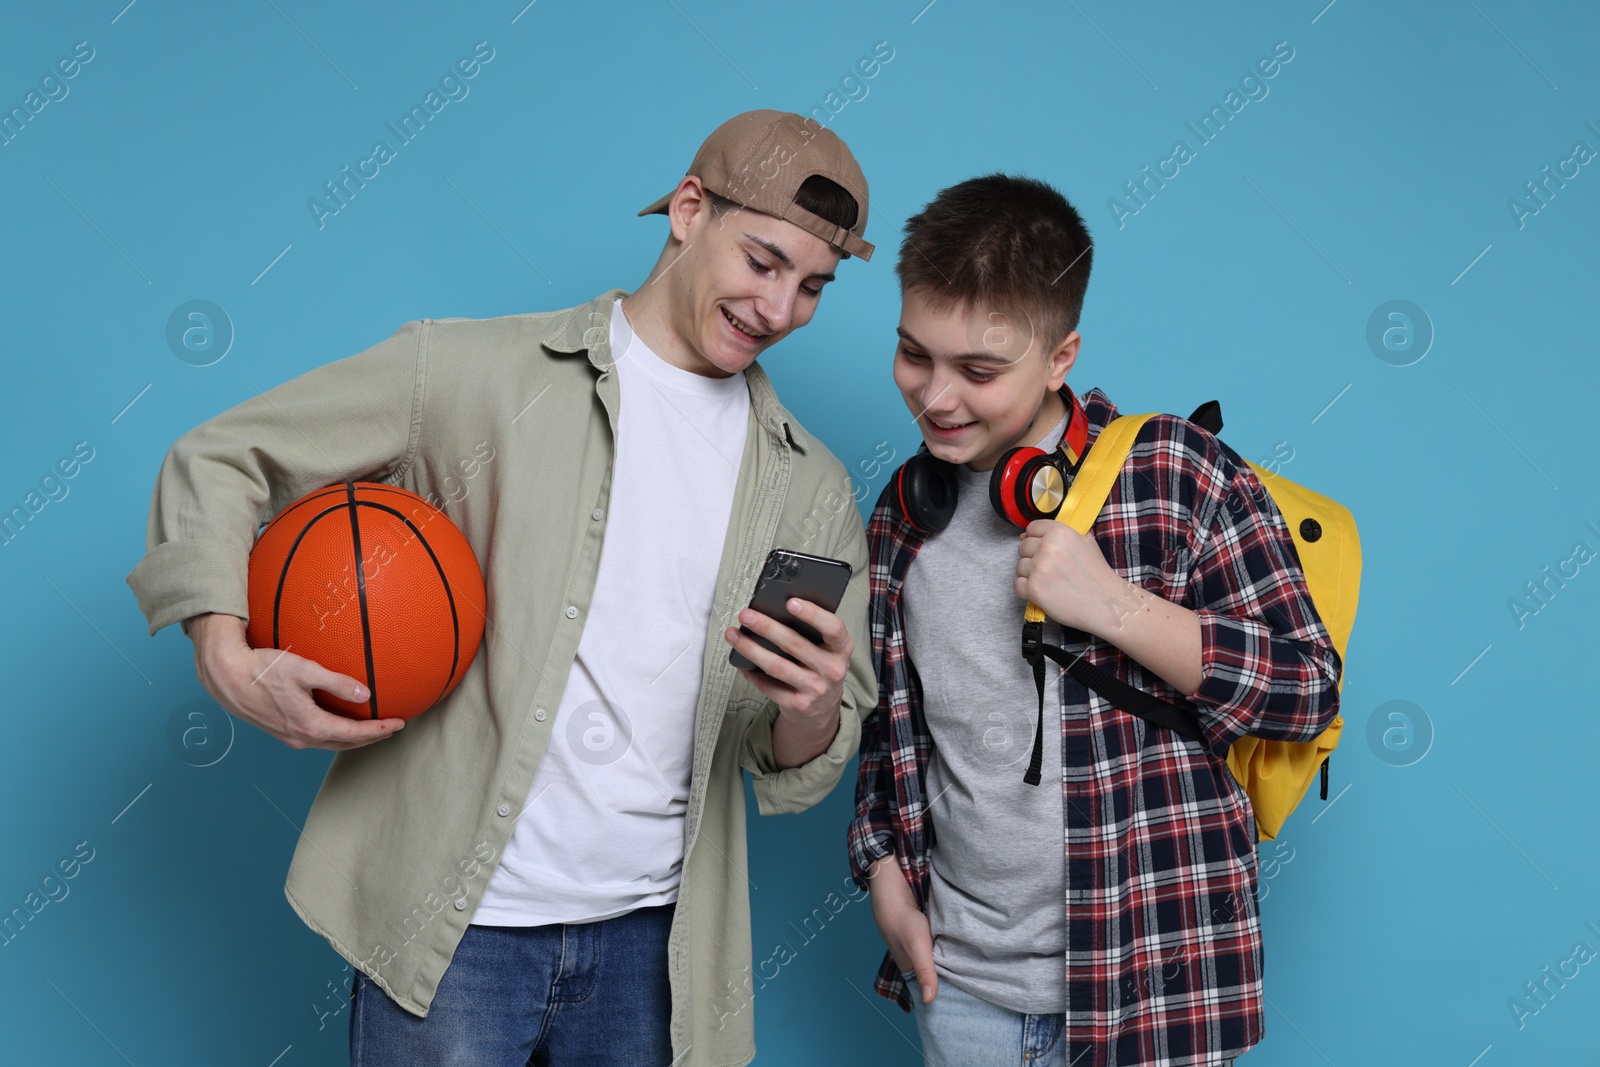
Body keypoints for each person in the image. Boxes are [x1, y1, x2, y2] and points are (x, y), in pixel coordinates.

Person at [125, 109, 880, 1067]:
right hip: (458, 935)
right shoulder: (475, 373)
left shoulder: (807, 483)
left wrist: (811, 709)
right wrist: (221, 650)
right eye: (762, 262)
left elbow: (800, 752)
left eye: (812, 287)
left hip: (658, 948)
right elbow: (222, 459)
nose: (778, 309)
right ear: (689, 210)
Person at [847, 174, 1342, 1067]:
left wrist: (1114, 604)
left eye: (980, 371)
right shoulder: (904, 513)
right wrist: (884, 876)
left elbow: (1307, 688)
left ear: (1060, 355)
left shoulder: (1180, 475)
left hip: (1152, 980)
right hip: (960, 991)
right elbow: (891, 729)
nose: (935, 397)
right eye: (914, 354)